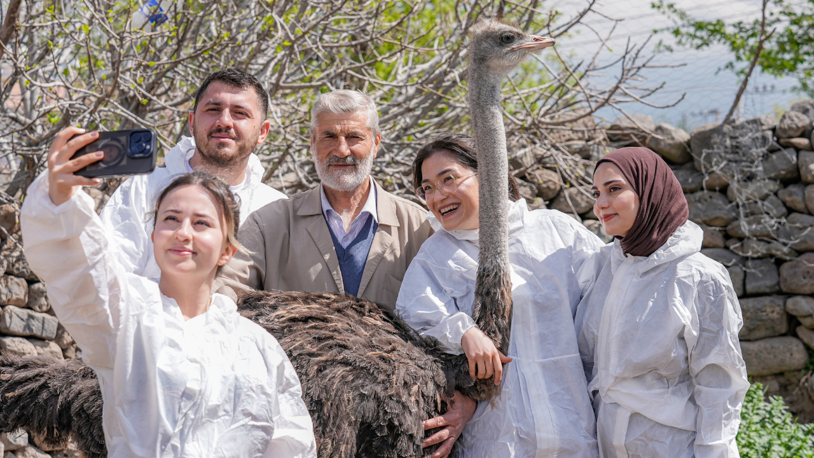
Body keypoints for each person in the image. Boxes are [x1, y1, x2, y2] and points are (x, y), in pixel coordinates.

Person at [20, 128, 317, 457]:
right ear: (153, 236)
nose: (183, 233)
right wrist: (59, 196)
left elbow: (292, 442)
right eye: (171, 219)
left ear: (227, 251)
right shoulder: (127, 317)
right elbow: (79, 267)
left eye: (202, 223)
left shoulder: (258, 346)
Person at [395, 133, 604, 457]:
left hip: (573, 434)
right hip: (496, 442)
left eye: (448, 179)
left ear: (488, 171)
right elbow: (413, 318)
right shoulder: (434, 257)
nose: (438, 196)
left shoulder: (556, 232)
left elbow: (609, 305)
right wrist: (464, 331)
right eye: (428, 188)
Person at [575, 147, 749, 457]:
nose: (601, 204)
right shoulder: (601, 268)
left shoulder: (698, 276)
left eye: (614, 189)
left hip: (671, 447)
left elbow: (719, 382)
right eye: (596, 192)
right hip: (603, 445)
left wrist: (714, 450)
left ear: (649, 191)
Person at [221, 89, 431, 311]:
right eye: (329, 136)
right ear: (312, 142)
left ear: (376, 143)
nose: (341, 150)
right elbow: (226, 293)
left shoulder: (418, 228)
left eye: (354, 137)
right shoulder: (268, 225)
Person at [100, 67, 287, 280]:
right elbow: (107, 281)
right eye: (213, 109)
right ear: (191, 122)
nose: (224, 121)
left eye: (240, 113)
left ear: (262, 132)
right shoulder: (142, 190)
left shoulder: (277, 210)